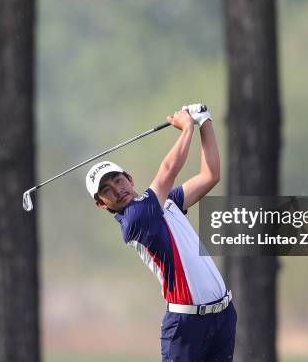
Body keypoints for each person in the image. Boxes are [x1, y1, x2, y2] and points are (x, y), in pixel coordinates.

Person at [85, 104, 237, 361]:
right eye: (107, 190)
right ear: (101, 203)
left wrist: (205, 122)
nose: (117, 189)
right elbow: (168, 170)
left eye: (118, 180)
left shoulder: (167, 202)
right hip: (186, 325)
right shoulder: (135, 219)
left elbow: (210, 175)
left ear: (129, 178)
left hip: (223, 316)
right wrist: (187, 127)